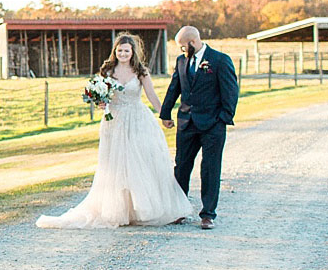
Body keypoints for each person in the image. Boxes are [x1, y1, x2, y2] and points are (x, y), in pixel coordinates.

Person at [37, 33, 194, 229]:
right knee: (116, 165)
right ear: (115, 51)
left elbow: (152, 96)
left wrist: (164, 115)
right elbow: (99, 95)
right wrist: (100, 102)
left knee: (140, 162)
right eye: (119, 50)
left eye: (126, 50)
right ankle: (120, 211)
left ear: (132, 52)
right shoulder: (107, 71)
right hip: (115, 121)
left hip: (137, 119)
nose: (123, 53)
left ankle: (143, 209)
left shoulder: (141, 71)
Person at [159, 25, 238, 230]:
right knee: (181, 167)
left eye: (183, 47)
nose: (182, 51)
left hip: (213, 124)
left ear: (193, 42)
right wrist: (165, 113)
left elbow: (230, 92)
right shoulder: (181, 61)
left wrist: (223, 118)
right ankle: (179, 210)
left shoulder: (220, 60)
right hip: (187, 123)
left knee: (210, 169)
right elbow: (174, 87)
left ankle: (208, 214)